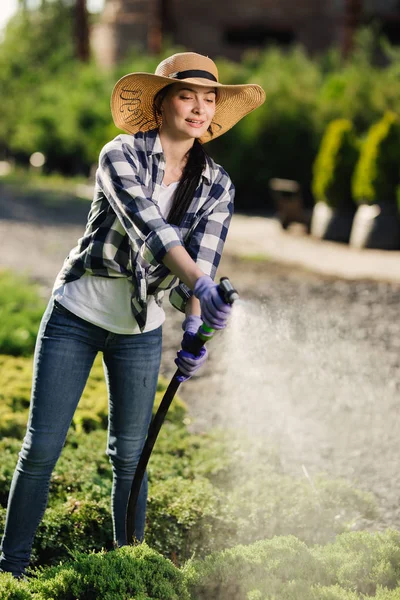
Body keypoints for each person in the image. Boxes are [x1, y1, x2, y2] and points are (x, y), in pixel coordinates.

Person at [0, 52, 265, 578]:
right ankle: (11, 566)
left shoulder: (217, 184)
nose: (198, 107)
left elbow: (205, 257)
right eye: (187, 95)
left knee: (130, 457)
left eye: (208, 99)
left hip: (140, 329)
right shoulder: (120, 154)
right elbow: (155, 232)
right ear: (161, 102)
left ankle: (130, 567)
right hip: (77, 312)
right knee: (43, 447)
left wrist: (196, 330)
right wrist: (201, 285)